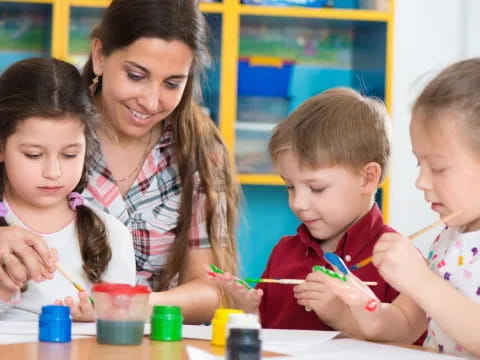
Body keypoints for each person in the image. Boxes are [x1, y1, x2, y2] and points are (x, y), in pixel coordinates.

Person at [322, 59, 480, 357]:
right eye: (421, 164)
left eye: (438, 167)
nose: (421, 181)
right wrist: (364, 306)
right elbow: (406, 324)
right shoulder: (448, 238)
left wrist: (420, 280)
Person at [214, 87, 399, 336]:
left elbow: (408, 345)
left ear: (367, 179)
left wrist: (342, 316)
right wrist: (248, 314)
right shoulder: (284, 253)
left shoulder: (396, 261)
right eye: (290, 186)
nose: (298, 202)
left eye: (316, 188)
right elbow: (269, 340)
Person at [0, 57, 136, 321]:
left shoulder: (111, 237)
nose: (53, 172)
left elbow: (123, 331)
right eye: (33, 155)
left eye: (70, 154)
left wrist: (98, 323)